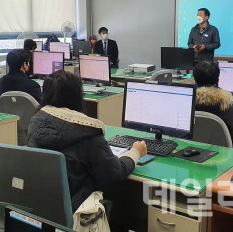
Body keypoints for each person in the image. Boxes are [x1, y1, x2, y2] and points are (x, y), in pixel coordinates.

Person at [27, 70, 147, 211]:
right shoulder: (89, 134)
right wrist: (135, 152)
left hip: (42, 205)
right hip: (79, 208)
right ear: (77, 96)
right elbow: (114, 173)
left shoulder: (35, 123)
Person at [193, 61, 233, 148]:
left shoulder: (187, 101)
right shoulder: (226, 104)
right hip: (222, 155)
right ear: (218, 79)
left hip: (188, 151)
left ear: (195, 79)